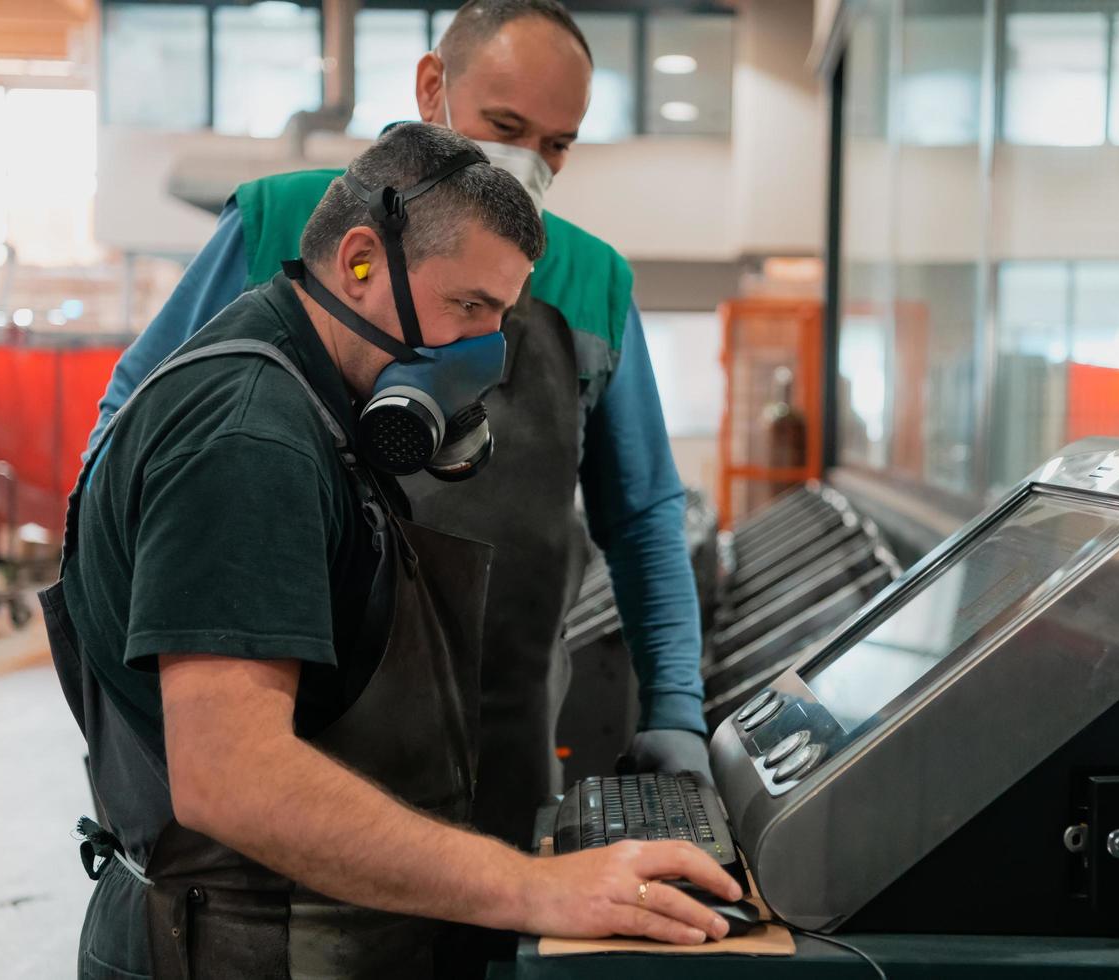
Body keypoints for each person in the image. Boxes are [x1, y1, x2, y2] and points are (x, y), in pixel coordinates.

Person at [45, 123, 742, 979]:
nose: (489, 351)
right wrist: (534, 889)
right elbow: (233, 777)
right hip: (231, 944)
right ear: (361, 262)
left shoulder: (314, 402)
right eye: (470, 308)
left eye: (502, 315)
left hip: (294, 925)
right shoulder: (249, 437)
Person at [88, 0, 710, 854]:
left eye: (556, 144)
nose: (525, 160)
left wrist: (677, 704)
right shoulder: (286, 223)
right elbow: (131, 430)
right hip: (291, 752)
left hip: (499, 744)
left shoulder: (592, 282)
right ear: (432, 87)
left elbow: (642, 515)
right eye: (504, 124)